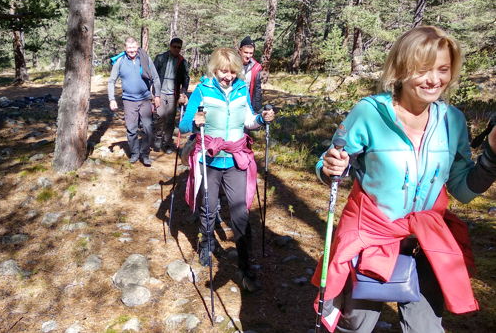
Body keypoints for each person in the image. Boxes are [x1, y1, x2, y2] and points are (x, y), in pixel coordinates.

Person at [312, 26, 496, 332]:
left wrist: (491, 155)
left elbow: (462, 190)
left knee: (426, 329)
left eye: (443, 69)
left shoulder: (453, 120)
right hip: (371, 236)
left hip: (426, 239)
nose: (434, 80)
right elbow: (331, 163)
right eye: (423, 69)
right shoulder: (369, 113)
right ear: (401, 68)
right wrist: (332, 167)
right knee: (355, 325)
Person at [180, 47, 274, 292]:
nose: (228, 76)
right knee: (209, 208)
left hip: (234, 160)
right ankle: (206, 243)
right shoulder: (202, 90)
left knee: (241, 214)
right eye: (224, 71)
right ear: (214, 69)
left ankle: (245, 267)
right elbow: (182, 125)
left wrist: (263, 118)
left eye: (232, 72)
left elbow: (249, 121)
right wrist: (194, 122)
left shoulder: (242, 89)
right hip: (209, 159)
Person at [108, 37, 161, 166]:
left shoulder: (145, 59)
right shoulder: (120, 61)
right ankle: (135, 153)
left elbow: (156, 78)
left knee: (148, 128)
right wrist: (111, 99)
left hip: (145, 99)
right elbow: (111, 81)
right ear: (125, 48)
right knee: (131, 129)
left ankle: (145, 154)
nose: (131, 50)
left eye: (133, 48)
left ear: (137, 47)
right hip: (129, 101)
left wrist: (157, 96)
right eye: (129, 48)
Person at [153, 38, 190, 154]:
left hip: (173, 94)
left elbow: (186, 78)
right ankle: (158, 137)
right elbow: (153, 75)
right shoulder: (160, 58)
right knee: (159, 116)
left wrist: (183, 92)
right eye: (174, 46)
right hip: (160, 93)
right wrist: (154, 94)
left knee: (170, 119)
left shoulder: (182, 61)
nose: (176, 49)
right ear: (170, 46)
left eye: (179, 47)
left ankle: (167, 142)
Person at [239, 36, 263, 113]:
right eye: (246, 52)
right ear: (240, 51)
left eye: (251, 53)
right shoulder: (231, 64)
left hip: (247, 103)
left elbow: (257, 90)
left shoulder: (256, 67)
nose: (248, 56)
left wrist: (257, 109)